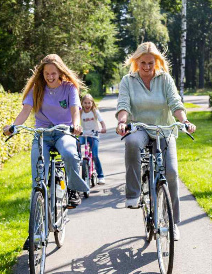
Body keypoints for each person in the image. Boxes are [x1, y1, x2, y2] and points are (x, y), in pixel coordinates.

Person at [115, 42, 196, 241]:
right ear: (136, 62)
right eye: (142, 62)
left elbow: (175, 103)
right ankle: (133, 194)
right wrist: (122, 121)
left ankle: (173, 223)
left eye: (151, 63)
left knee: (172, 173)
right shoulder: (128, 80)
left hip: (163, 129)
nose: (147, 67)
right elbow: (123, 104)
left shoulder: (165, 79)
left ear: (156, 62)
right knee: (132, 143)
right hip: (139, 127)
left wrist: (184, 121)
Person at [3, 54, 89, 208]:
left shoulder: (69, 88)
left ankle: (72, 189)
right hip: (43, 134)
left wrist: (76, 125)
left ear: (60, 73)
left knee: (70, 154)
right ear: (42, 73)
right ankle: (38, 204)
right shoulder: (37, 89)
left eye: (53, 73)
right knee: (38, 170)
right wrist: (13, 126)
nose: (50, 77)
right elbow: (26, 110)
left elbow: (75, 110)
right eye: (47, 73)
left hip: (64, 132)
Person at [80, 94, 107, 185]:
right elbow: (74, 121)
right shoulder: (80, 112)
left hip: (94, 135)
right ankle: (78, 159)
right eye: (85, 103)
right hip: (83, 135)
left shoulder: (95, 112)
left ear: (92, 103)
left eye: (89, 103)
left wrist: (103, 128)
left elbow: (101, 121)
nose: (87, 105)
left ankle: (101, 176)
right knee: (76, 143)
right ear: (82, 103)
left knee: (95, 155)